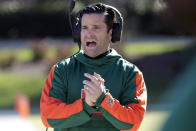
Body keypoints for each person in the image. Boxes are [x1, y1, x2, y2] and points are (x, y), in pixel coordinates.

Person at [40, 3, 147, 131]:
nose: (89, 34)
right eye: (85, 28)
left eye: (96, 28)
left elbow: (133, 123)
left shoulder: (130, 73)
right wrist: (86, 105)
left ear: (111, 33)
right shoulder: (61, 70)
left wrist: (103, 99)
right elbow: (48, 117)